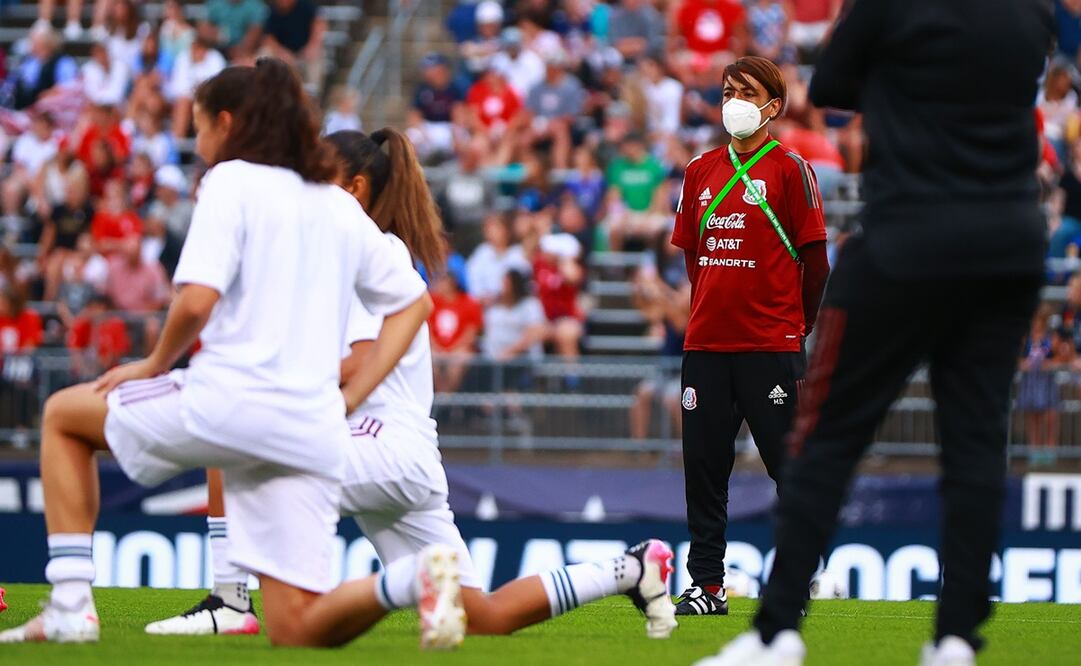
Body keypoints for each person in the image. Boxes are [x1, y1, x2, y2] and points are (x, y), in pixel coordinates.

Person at [144, 128, 679, 640]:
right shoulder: (352, 252)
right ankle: (630, 569)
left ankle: (230, 601)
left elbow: (354, 363)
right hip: (400, 453)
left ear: (354, 187)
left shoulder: (364, 253)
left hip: (384, 442)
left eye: (316, 177)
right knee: (485, 617)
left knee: (233, 441)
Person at [0, 59, 452, 649]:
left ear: (228, 123)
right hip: (310, 427)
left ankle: (70, 604)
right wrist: (349, 399)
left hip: (234, 402)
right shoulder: (335, 202)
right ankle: (408, 581)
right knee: (295, 626)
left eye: (198, 125)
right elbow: (414, 307)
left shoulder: (229, 180)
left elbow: (195, 302)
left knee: (62, 415)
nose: (195, 140)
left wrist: (154, 363)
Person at [699, 2, 1053, 664]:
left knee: (827, 438)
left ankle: (775, 631)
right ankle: (954, 641)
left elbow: (828, 85)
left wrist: (895, 77)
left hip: (906, 239)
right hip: (1007, 244)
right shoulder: (1027, 13)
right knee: (975, 446)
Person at [669, 55, 829, 617]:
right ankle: (707, 587)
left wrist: (794, 326)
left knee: (788, 469)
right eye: (727, 88)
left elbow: (817, 262)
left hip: (772, 346)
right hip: (707, 346)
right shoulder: (698, 172)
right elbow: (695, 258)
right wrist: (714, 310)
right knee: (705, 473)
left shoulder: (792, 170)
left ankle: (796, 581)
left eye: (746, 90)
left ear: (773, 105)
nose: (733, 98)